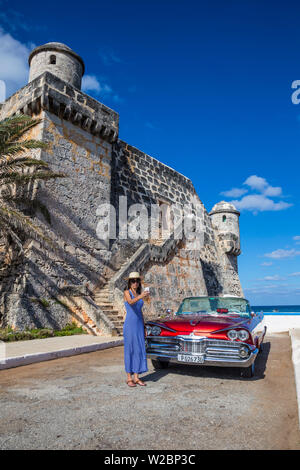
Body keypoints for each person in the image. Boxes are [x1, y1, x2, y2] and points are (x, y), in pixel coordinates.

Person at [123, 271, 150, 387]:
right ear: (129, 282)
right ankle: (129, 378)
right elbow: (130, 302)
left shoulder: (139, 294)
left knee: (139, 350)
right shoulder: (126, 292)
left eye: (137, 281)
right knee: (130, 349)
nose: (135, 283)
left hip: (139, 324)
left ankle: (136, 377)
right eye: (133, 281)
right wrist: (141, 296)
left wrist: (144, 327)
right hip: (130, 325)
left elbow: (140, 312)